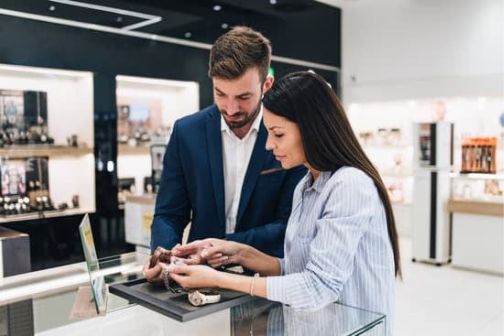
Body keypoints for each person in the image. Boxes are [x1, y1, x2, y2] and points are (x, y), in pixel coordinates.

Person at [167, 71, 401, 333]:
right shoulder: (305, 185)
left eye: (278, 134)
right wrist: (236, 251)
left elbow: (317, 287)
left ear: (312, 129)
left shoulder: (349, 185)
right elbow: (295, 268)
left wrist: (219, 279)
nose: (269, 145)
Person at [144, 27, 306, 282]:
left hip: (266, 283)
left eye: (243, 97)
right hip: (195, 280)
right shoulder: (187, 132)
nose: (231, 109)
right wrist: (163, 256)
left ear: (267, 85)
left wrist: (224, 247)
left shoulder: (288, 135)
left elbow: (288, 224)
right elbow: (169, 213)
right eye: (221, 94)